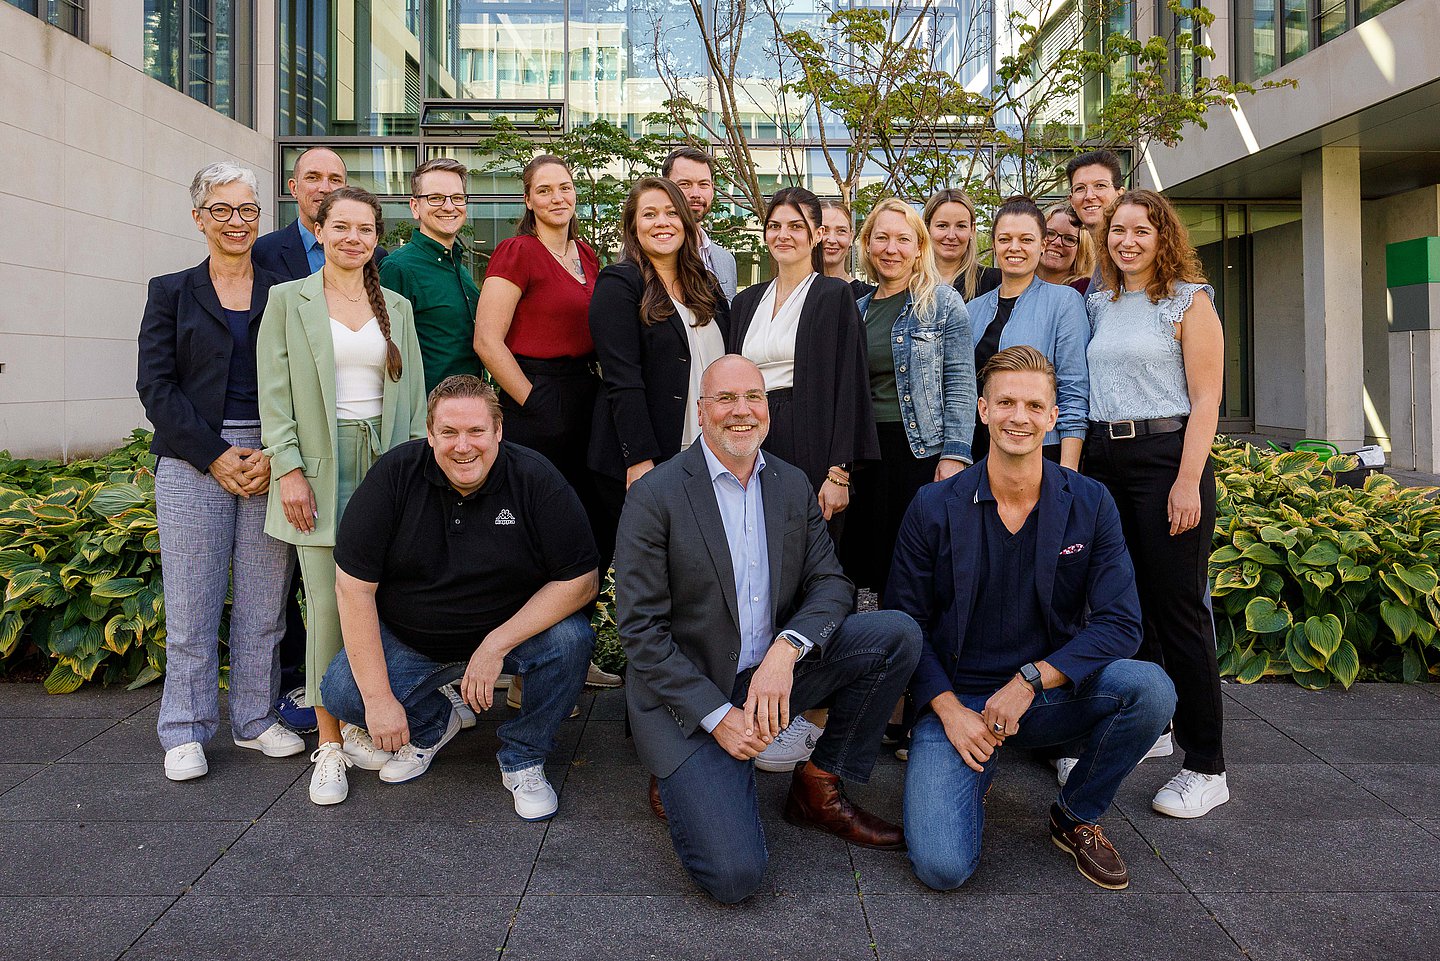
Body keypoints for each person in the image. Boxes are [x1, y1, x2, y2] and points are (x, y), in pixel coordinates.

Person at [615, 354, 921, 904]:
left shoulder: (789, 483)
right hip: (691, 697)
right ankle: (680, 777)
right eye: (726, 400)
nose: (742, 411)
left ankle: (818, 786)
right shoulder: (655, 496)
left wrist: (786, 649)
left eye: (753, 397)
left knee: (894, 634)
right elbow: (640, 632)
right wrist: (720, 718)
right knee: (735, 880)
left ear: (767, 409)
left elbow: (831, 583)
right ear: (702, 412)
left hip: (770, 678)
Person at [887, 345, 1176, 891]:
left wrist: (1030, 680)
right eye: (1006, 403)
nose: (1019, 417)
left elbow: (1121, 623)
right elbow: (906, 624)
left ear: (1051, 417)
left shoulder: (1091, 503)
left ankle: (1075, 815)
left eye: (1033, 406)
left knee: (1151, 689)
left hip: (1048, 694)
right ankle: (975, 766)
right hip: (960, 699)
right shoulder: (932, 506)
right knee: (942, 869)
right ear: (983, 410)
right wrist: (948, 711)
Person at [320, 376, 598, 818]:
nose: (462, 446)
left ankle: (524, 758)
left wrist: (496, 643)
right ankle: (434, 723)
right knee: (343, 693)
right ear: (429, 434)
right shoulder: (393, 476)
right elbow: (353, 588)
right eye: (448, 432)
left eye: (476, 431)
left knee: (571, 640)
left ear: (498, 431)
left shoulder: (534, 477)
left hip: (509, 633)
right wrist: (378, 700)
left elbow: (581, 581)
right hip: (414, 638)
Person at [258, 185, 428, 805]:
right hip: (320, 468)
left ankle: (362, 722)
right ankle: (328, 743)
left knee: (384, 600)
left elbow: (412, 399)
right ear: (320, 231)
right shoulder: (287, 301)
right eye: (342, 227)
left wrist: (415, 471)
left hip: (387, 468)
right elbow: (273, 397)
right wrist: (289, 470)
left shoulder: (397, 307)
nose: (354, 238)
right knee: (328, 607)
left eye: (366, 229)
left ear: (377, 238)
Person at [137, 161, 303, 782]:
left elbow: (303, 375)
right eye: (223, 210)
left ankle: (256, 720)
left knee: (264, 605)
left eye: (248, 210)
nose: (237, 222)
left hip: (272, 454)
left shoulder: (285, 289)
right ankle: (184, 728)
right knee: (191, 605)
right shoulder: (170, 291)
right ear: (199, 218)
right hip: (191, 459)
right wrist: (212, 453)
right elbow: (155, 386)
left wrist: (276, 451)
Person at [1081, 188, 1229, 819]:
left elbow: (1207, 399)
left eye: (1141, 230)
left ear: (1162, 235)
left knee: (1179, 612)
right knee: (1126, 605)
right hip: (1105, 461)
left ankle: (1207, 765)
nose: (1128, 240)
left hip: (1166, 459)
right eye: (1118, 230)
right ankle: (1156, 727)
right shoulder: (1100, 301)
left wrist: (1187, 480)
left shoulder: (1189, 301)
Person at [472, 155, 615, 580]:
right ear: (528, 200)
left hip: (585, 395)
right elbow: (486, 340)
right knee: (537, 516)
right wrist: (533, 400)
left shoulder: (587, 255)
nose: (558, 197)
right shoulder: (518, 251)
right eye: (545, 190)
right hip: (537, 394)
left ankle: (577, 623)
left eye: (565, 187)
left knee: (590, 519)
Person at [842, 197, 975, 596]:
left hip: (920, 452)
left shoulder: (942, 303)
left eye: (902, 239)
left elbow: (961, 383)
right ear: (866, 245)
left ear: (920, 247)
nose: (891, 248)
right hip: (866, 453)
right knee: (873, 565)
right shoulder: (856, 309)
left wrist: (954, 455)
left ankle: (923, 650)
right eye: (881, 238)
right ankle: (886, 648)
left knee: (922, 564)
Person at [729, 186, 878, 538]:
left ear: (817, 234)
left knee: (811, 551)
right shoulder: (746, 302)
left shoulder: (833, 296)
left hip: (810, 434)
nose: (783, 235)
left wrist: (839, 471)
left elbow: (850, 385)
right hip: (750, 432)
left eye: (796, 226)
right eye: (774, 226)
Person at [588, 177, 729, 520]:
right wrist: (639, 459)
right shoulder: (619, 283)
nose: (662, 222)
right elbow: (622, 378)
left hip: (709, 450)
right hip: (650, 456)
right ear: (634, 227)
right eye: (649, 214)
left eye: (670, 213)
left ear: (685, 221)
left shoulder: (706, 286)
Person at [966, 196, 1089, 469]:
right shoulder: (972, 311)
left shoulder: (1064, 302)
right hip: (979, 449)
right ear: (994, 243)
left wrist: (1068, 471)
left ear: (1043, 244)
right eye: (1005, 239)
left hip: (1041, 450)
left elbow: (1073, 389)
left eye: (1026, 239)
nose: (1014, 248)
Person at [379, 157, 482, 394]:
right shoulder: (398, 269)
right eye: (435, 198)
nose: (449, 206)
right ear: (415, 207)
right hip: (426, 417)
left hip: (468, 411)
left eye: (457, 198)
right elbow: (384, 354)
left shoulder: (459, 266)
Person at [253, 146, 387, 282]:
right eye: (313, 178)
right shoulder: (261, 253)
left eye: (335, 180)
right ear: (294, 188)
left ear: (346, 190)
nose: (325, 188)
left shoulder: (375, 256)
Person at [662, 146, 738, 300]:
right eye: (685, 184)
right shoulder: (642, 255)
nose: (695, 194)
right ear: (665, 188)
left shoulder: (726, 261)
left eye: (703, 184)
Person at [923, 188, 1000, 302]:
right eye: (942, 226)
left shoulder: (995, 282)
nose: (951, 235)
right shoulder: (908, 281)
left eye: (961, 226)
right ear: (927, 228)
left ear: (972, 229)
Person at [1065, 149, 1125, 291]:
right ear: (1072, 201)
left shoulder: (1130, 253)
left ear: (1120, 194)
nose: (1089, 196)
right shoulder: (1099, 265)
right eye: (1080, 188)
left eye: (1100, 186)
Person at [1036, 202, 1095, 294]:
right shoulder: (1013, 281)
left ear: (1082, 250)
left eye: (1069, 239)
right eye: (1050, 233)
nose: (1057, 242)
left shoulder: (1087, 292)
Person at [819, 199, 873, 301]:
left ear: (851, 237)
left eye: (841, 231)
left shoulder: (868, 297)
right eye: (824, 230)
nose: (832, 240)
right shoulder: (794, 292)